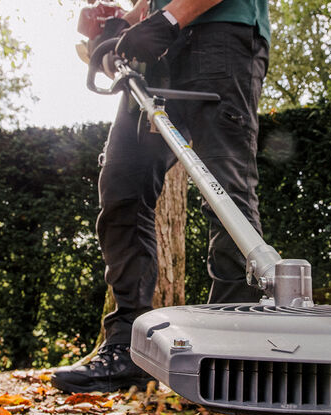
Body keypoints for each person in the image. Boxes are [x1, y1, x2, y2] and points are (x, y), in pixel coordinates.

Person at [52, 0, 270, 393]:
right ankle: (127, 348)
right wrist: (120, 28)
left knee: (225, 192)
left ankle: (232, 353)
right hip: (159, 54)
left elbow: (167, 11)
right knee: (123, 188)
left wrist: (171, 18)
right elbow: (149, 7)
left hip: (222, 37)